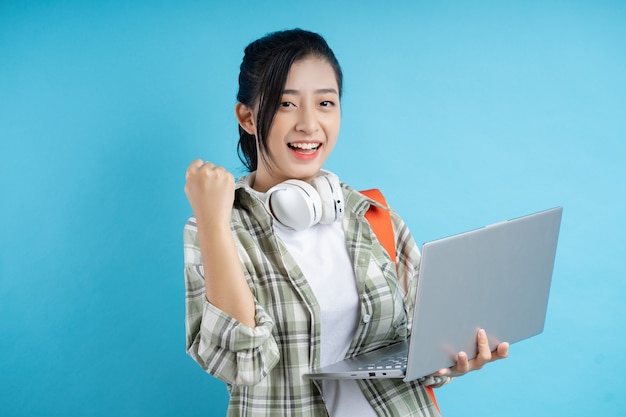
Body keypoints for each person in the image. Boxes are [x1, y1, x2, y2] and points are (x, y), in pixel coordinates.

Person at [183, 28, 509, 417]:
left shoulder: (372, 214)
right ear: (248, 118)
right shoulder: (217, 227)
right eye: (286, 104)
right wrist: (214, 222)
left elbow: (423, 346)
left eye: (325, 103)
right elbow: (241, 364)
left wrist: (452, 357)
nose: (309, 124)